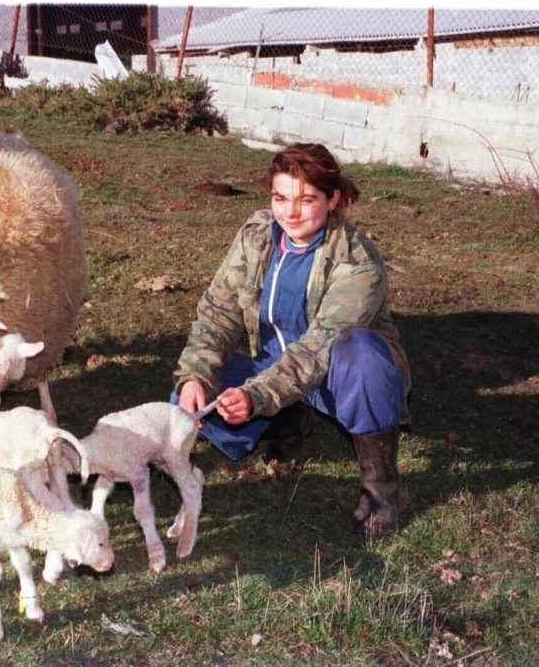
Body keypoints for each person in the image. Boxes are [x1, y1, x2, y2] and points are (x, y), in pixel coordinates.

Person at [173, 143, 411, 537]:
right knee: (184, 404)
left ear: (333, 199)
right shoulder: (256, 236)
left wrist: (255, 397)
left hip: (333, 374)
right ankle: (287, 419)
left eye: (307, 199)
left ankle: (383, 490)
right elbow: (218, 312)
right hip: (270, 365)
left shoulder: (358, 262)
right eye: (280, 197)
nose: (291, 212)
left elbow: (319, 348)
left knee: (363, 357)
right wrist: (195, 376)